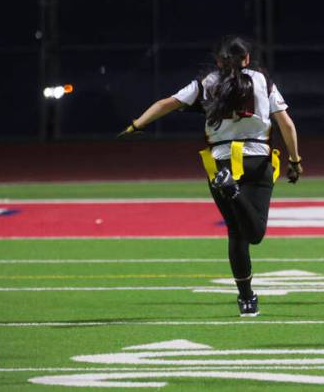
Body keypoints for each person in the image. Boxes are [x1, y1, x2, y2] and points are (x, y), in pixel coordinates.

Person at [119, 36, 301, 317]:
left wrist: (136, 124)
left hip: (220, 163)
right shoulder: (263, 80)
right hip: (256, 159)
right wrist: (295, 159)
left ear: (219, 61)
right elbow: (286, 123)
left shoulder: (208, 82)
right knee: (254, 233)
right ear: (247, 59)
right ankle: (234, 192)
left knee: (237, 233)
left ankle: (246, 298)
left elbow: (167, 103)